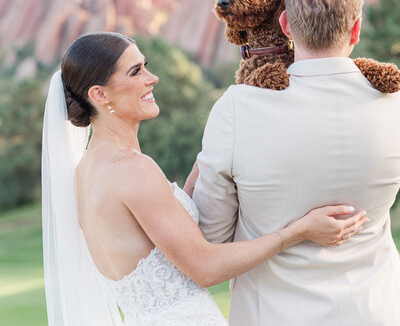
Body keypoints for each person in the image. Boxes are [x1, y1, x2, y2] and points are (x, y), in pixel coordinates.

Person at [42, 31, 366, 326]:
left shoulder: (86, 170)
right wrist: (298, 231)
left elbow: (158, 229)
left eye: (145, 66)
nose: (152, 78)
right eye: (135, 72)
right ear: (99, 94)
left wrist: (213, 158)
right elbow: (205, 267)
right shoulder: (132, 168)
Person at [193, 0, 400, 326]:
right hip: (379, 312)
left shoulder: (237, 109)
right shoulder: (394, 104)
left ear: (286, 24)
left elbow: (210, 237)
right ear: (355, 30)